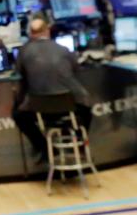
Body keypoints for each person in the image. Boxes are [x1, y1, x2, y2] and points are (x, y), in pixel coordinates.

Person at [12, 18, 92, 160]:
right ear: (47, 31)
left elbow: (21, 79)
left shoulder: (23, 52)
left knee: (18, 116)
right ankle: (79, 145)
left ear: (30, 33)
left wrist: (18, 103)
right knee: (87, 110)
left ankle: (45, 149)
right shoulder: (63, 49)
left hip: (40, 108)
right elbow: (76, 71)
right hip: (69, 106)